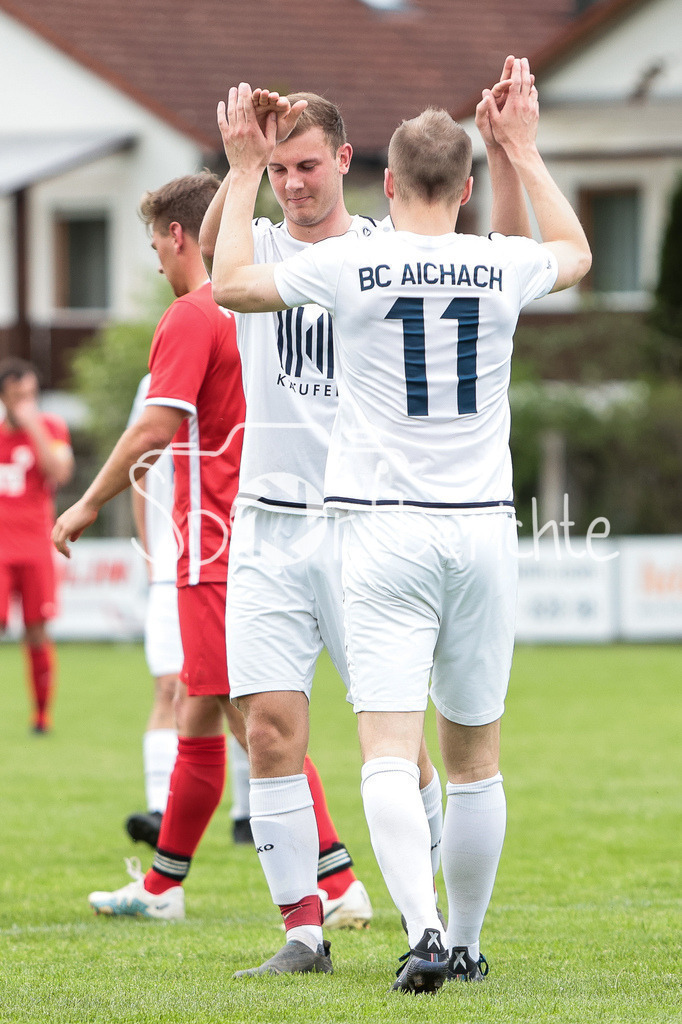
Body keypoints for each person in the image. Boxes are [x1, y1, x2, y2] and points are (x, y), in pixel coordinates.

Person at [210, 58, 591, 992]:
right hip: (479, 528)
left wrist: (239, 161)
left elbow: (228, 286)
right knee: (474, 756)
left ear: (378, 180)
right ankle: (459, 940)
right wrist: (523, 150)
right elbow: (567, 253)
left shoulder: (353, 259)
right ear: (463, 187)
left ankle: (421, 927)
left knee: (387, 748)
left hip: (376, 528)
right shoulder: (497, 260)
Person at [53, 171, 364, 926]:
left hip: (217, 546)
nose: (156, 261)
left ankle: (337, 878)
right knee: (201, 713)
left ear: (178, 236)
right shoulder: (258, 304)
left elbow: (155, 430)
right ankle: (163, 888)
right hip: (262, 534)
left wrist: (88, 503)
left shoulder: (195, 315)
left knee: (254, 720)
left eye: (156, 243)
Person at [124, 373, 253, 849]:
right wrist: (152, 551)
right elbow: (142, 463)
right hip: (173, 564)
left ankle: (250, 813)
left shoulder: (250, 363)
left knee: (236, 692)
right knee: (170, 688)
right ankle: (161, 811)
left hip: (229, 560)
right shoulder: (155, 382)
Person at [0, 358, 74, 733]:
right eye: (17, 397)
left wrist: (33, 427)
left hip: (34, 546)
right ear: (4, 398)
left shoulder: (51, 427)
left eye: (30, 394)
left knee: (36, 631)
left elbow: (60, 472)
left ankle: (41, 716)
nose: (26, 402)